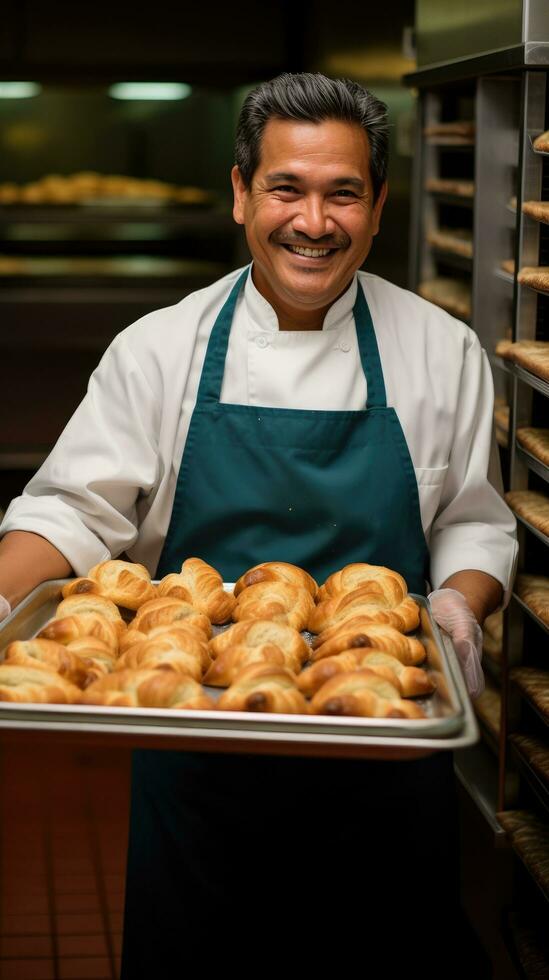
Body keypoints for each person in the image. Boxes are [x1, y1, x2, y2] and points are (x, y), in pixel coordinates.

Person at [0, 74, 516, 975]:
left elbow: (473, 524)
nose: (312, 221)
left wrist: (460, 610)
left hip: (386, 760)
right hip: (196, 748)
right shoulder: (160, 348)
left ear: (377, 205)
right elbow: (72, 511)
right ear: (241, 192)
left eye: (341, 193)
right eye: (286, 188)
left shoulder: (441, 350)